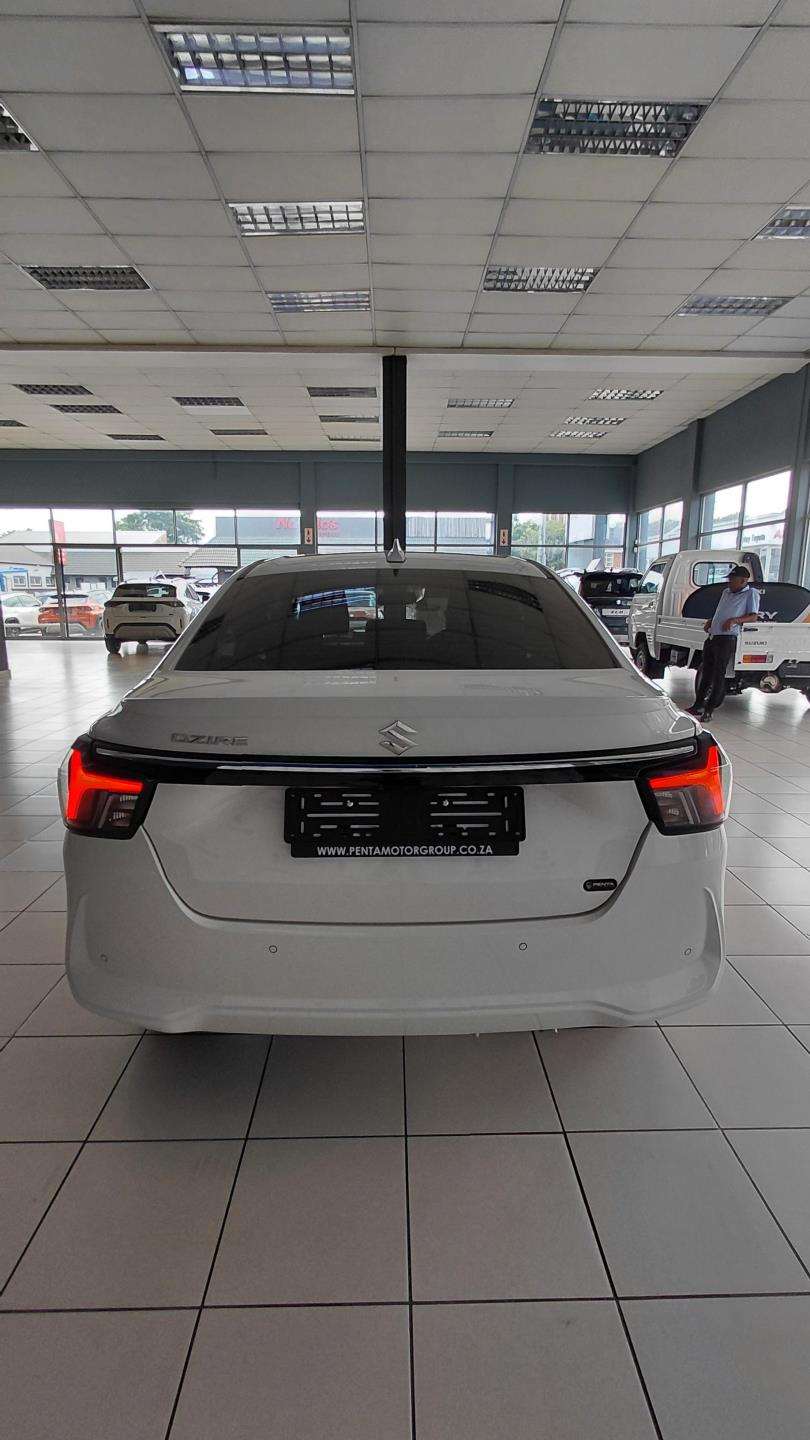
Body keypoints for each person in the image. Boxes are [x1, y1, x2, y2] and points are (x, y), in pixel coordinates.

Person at [688, 564, 761, 722]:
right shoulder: (726, 592)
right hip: (713, 636)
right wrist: (712, 621)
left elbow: (753, 616)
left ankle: (709, 710)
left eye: (733, 580)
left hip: (727, 639)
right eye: (729, 579)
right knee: (706, 672)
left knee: (718, 674)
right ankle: (698, 705)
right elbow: (721, 611)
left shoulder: (751, 594)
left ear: (743, 580)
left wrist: (735, 620)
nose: (729, 582)